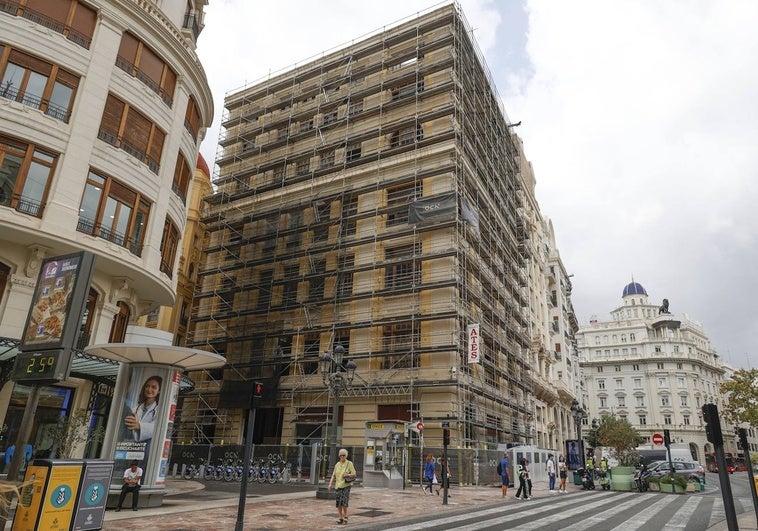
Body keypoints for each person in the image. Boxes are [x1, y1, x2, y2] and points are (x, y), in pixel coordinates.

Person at [124, 375, 162, 442]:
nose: (149, 389)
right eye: (147, 386)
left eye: (154, 387)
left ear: (159, 391)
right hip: (130, 444)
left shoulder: (159, 410)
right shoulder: (135, 409)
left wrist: (139, 426)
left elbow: (158, 428)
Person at [327, 448, 356, 525]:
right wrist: (330, 484)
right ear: (339, 456)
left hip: (346, 485)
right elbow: (333, 475)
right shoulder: (337, 465)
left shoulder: (349, 463)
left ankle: (346, 516)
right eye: (341, 455)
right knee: (338, 502)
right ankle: (340, 518)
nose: (342, 457)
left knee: (344, 501)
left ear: (346, 456)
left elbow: (354, 474)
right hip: (338, 485)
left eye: (344, 455)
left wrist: (348, 475)